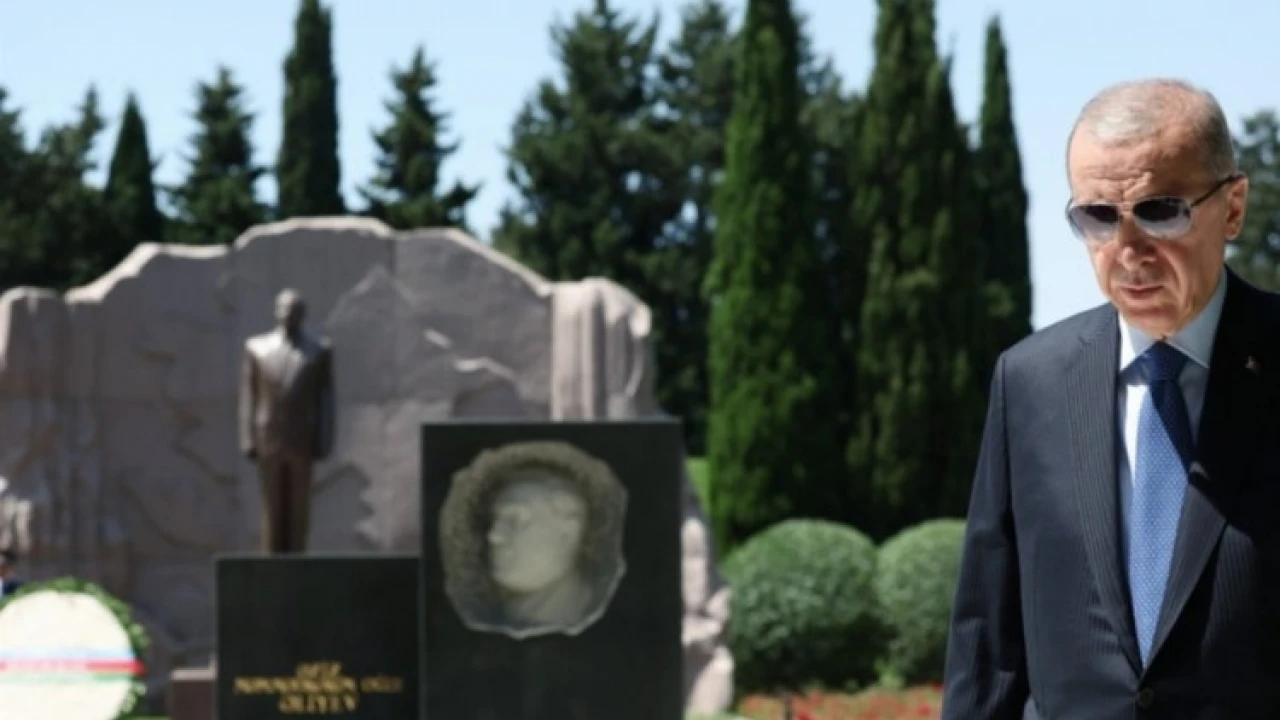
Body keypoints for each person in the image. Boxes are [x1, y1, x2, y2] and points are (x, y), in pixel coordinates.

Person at [942, 78, 1280, 719]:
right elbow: (988, 647)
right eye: (1098, 217)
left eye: (1159, 212)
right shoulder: (1028, 381)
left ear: (1233, 207)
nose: (1128, 250)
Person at [238, 288, 335, 554]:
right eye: (284, 308)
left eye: (295, 309)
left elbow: (326, 399)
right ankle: (271, 564)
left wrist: (324, 440)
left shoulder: (318, 351)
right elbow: (249, 395)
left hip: (302, 440)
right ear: (276, 311)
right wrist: (247, 438)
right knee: (271, 508)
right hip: (267, 438)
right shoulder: (256, 348)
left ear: (303, 315)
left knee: (299, 509)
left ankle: (297, 564)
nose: (289, 313)